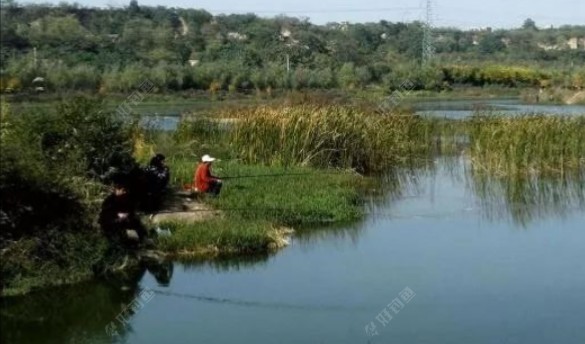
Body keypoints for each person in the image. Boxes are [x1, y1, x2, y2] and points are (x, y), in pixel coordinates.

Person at [99, 176, 149, 247]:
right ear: (116, 190)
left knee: (137, 223)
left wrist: (127, 217)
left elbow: (131, 213)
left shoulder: (127, 200)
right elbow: (105, 219)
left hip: (125, 223)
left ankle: (142, 239)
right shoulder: (109, 201)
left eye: (125, 190)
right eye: (121, 189)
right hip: (113, 226)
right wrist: (118, 218)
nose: (124, 192)